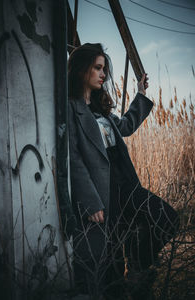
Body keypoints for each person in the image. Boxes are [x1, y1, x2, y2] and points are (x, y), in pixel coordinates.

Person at [67, 43, 179, 299]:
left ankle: (138, 266)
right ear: (82, 70)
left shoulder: (100, 109)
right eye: (97, 68)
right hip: (104, 194)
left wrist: (140, 95)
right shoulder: (71, 110)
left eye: (104, 68)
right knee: (112, 260)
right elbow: (73, 159)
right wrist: (90, 200)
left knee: (167, 218)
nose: (103, 74)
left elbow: (127, 125)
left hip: (128, 185)